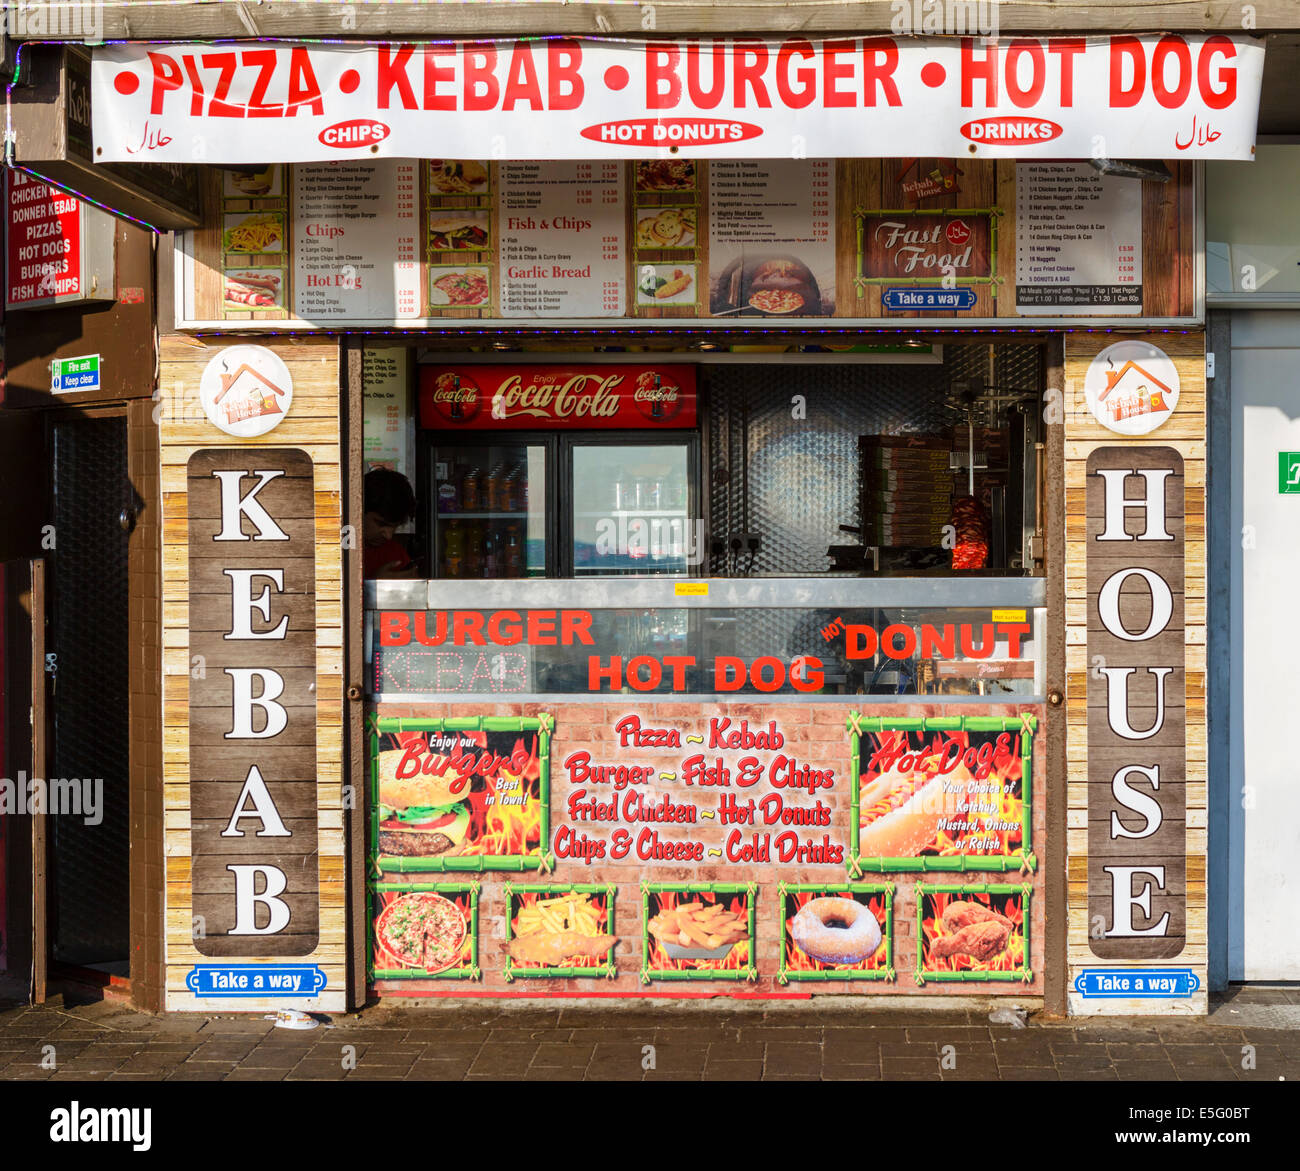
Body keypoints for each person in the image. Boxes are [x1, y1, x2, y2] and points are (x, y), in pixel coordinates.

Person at [363, 467, 420, 578]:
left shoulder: (394, 553)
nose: (388, 536)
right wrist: (375, 585)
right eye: (380, 523)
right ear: (358, 511)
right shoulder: (337, 548)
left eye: (395, 527)